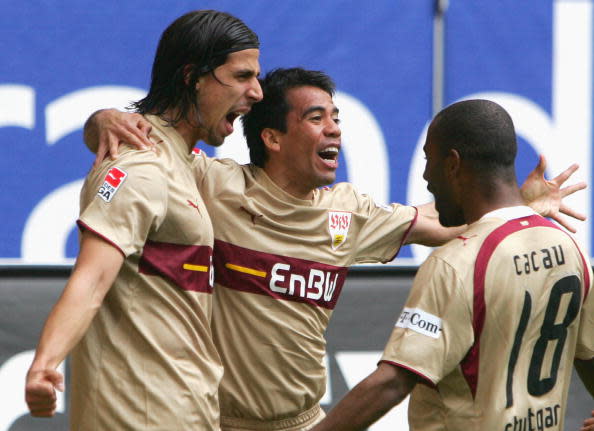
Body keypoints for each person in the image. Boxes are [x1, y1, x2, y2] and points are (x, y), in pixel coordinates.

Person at [85, 69, 585, 430]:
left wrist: (518, 208)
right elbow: (142, 149)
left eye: (337, 117)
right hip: (220, 421)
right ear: (271, 137)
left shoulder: (348, 213)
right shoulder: (211, 185)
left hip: (306, 421)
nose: (335, 129)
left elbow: (443, 218)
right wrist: (102, 118)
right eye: (317, 117)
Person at [24, 10, 262, 429]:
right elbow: (92, 280)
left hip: (185, 411)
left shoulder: (185, 164)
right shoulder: (141, 168)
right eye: (241, 75)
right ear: (193, 77)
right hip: (140, 417)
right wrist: (45, 363)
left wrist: (98, 120)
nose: (256, 91)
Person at [310, 99, 594, 431]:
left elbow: (393, 382)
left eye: (429, 160)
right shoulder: (571, 249)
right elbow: (588, 356)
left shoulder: (455, 264)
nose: (425, 176)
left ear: (453, 164)